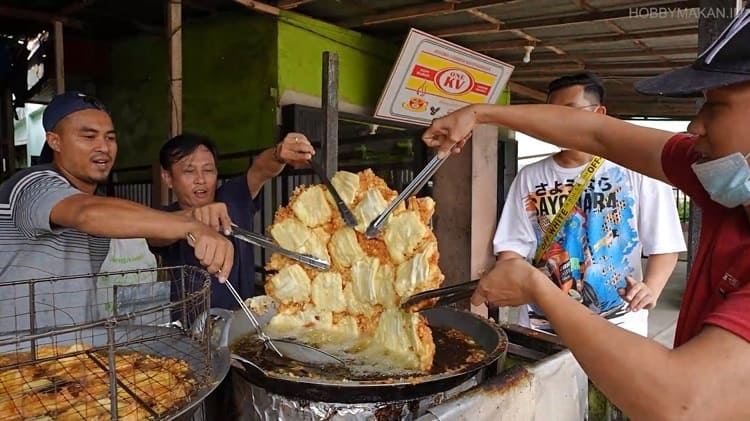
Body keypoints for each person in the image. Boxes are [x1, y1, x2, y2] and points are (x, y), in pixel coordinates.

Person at [423, 9, 750, 420]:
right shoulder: (722, 183)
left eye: (716, 107)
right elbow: (595, 133)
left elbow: (681, 404)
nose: (694, 125)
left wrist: (539, 289)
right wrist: (479, 113)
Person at [0, 92, 233, 330]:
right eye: (89, 136)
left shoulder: (97, 204)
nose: (103, 147)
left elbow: (146, 233)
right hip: (17, 355)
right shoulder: (31, 184)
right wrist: (191, 226)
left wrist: (194, 216)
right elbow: (85, 213)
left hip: (74, 351)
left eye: (110, 138)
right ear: (55, 141)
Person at [494, 72, 685, 336]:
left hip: (619, 322)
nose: (559, 123)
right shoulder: (530, 176)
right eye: (552, 115)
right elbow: (512, 248)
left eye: (570, 113)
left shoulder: (636, 170)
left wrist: (650, 287)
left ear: (599, 113)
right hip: (544, 324)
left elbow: (664, 244)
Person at [149, 132, 314, 309]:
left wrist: (279, 154)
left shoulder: (232, 198)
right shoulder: (165, 217)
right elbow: (153, 234)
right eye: (189, 171)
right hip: (193, 329)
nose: (201, 180)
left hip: (243, 322)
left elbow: (260, 170)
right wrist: (192, 218)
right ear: (168, 178)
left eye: (208, 170)